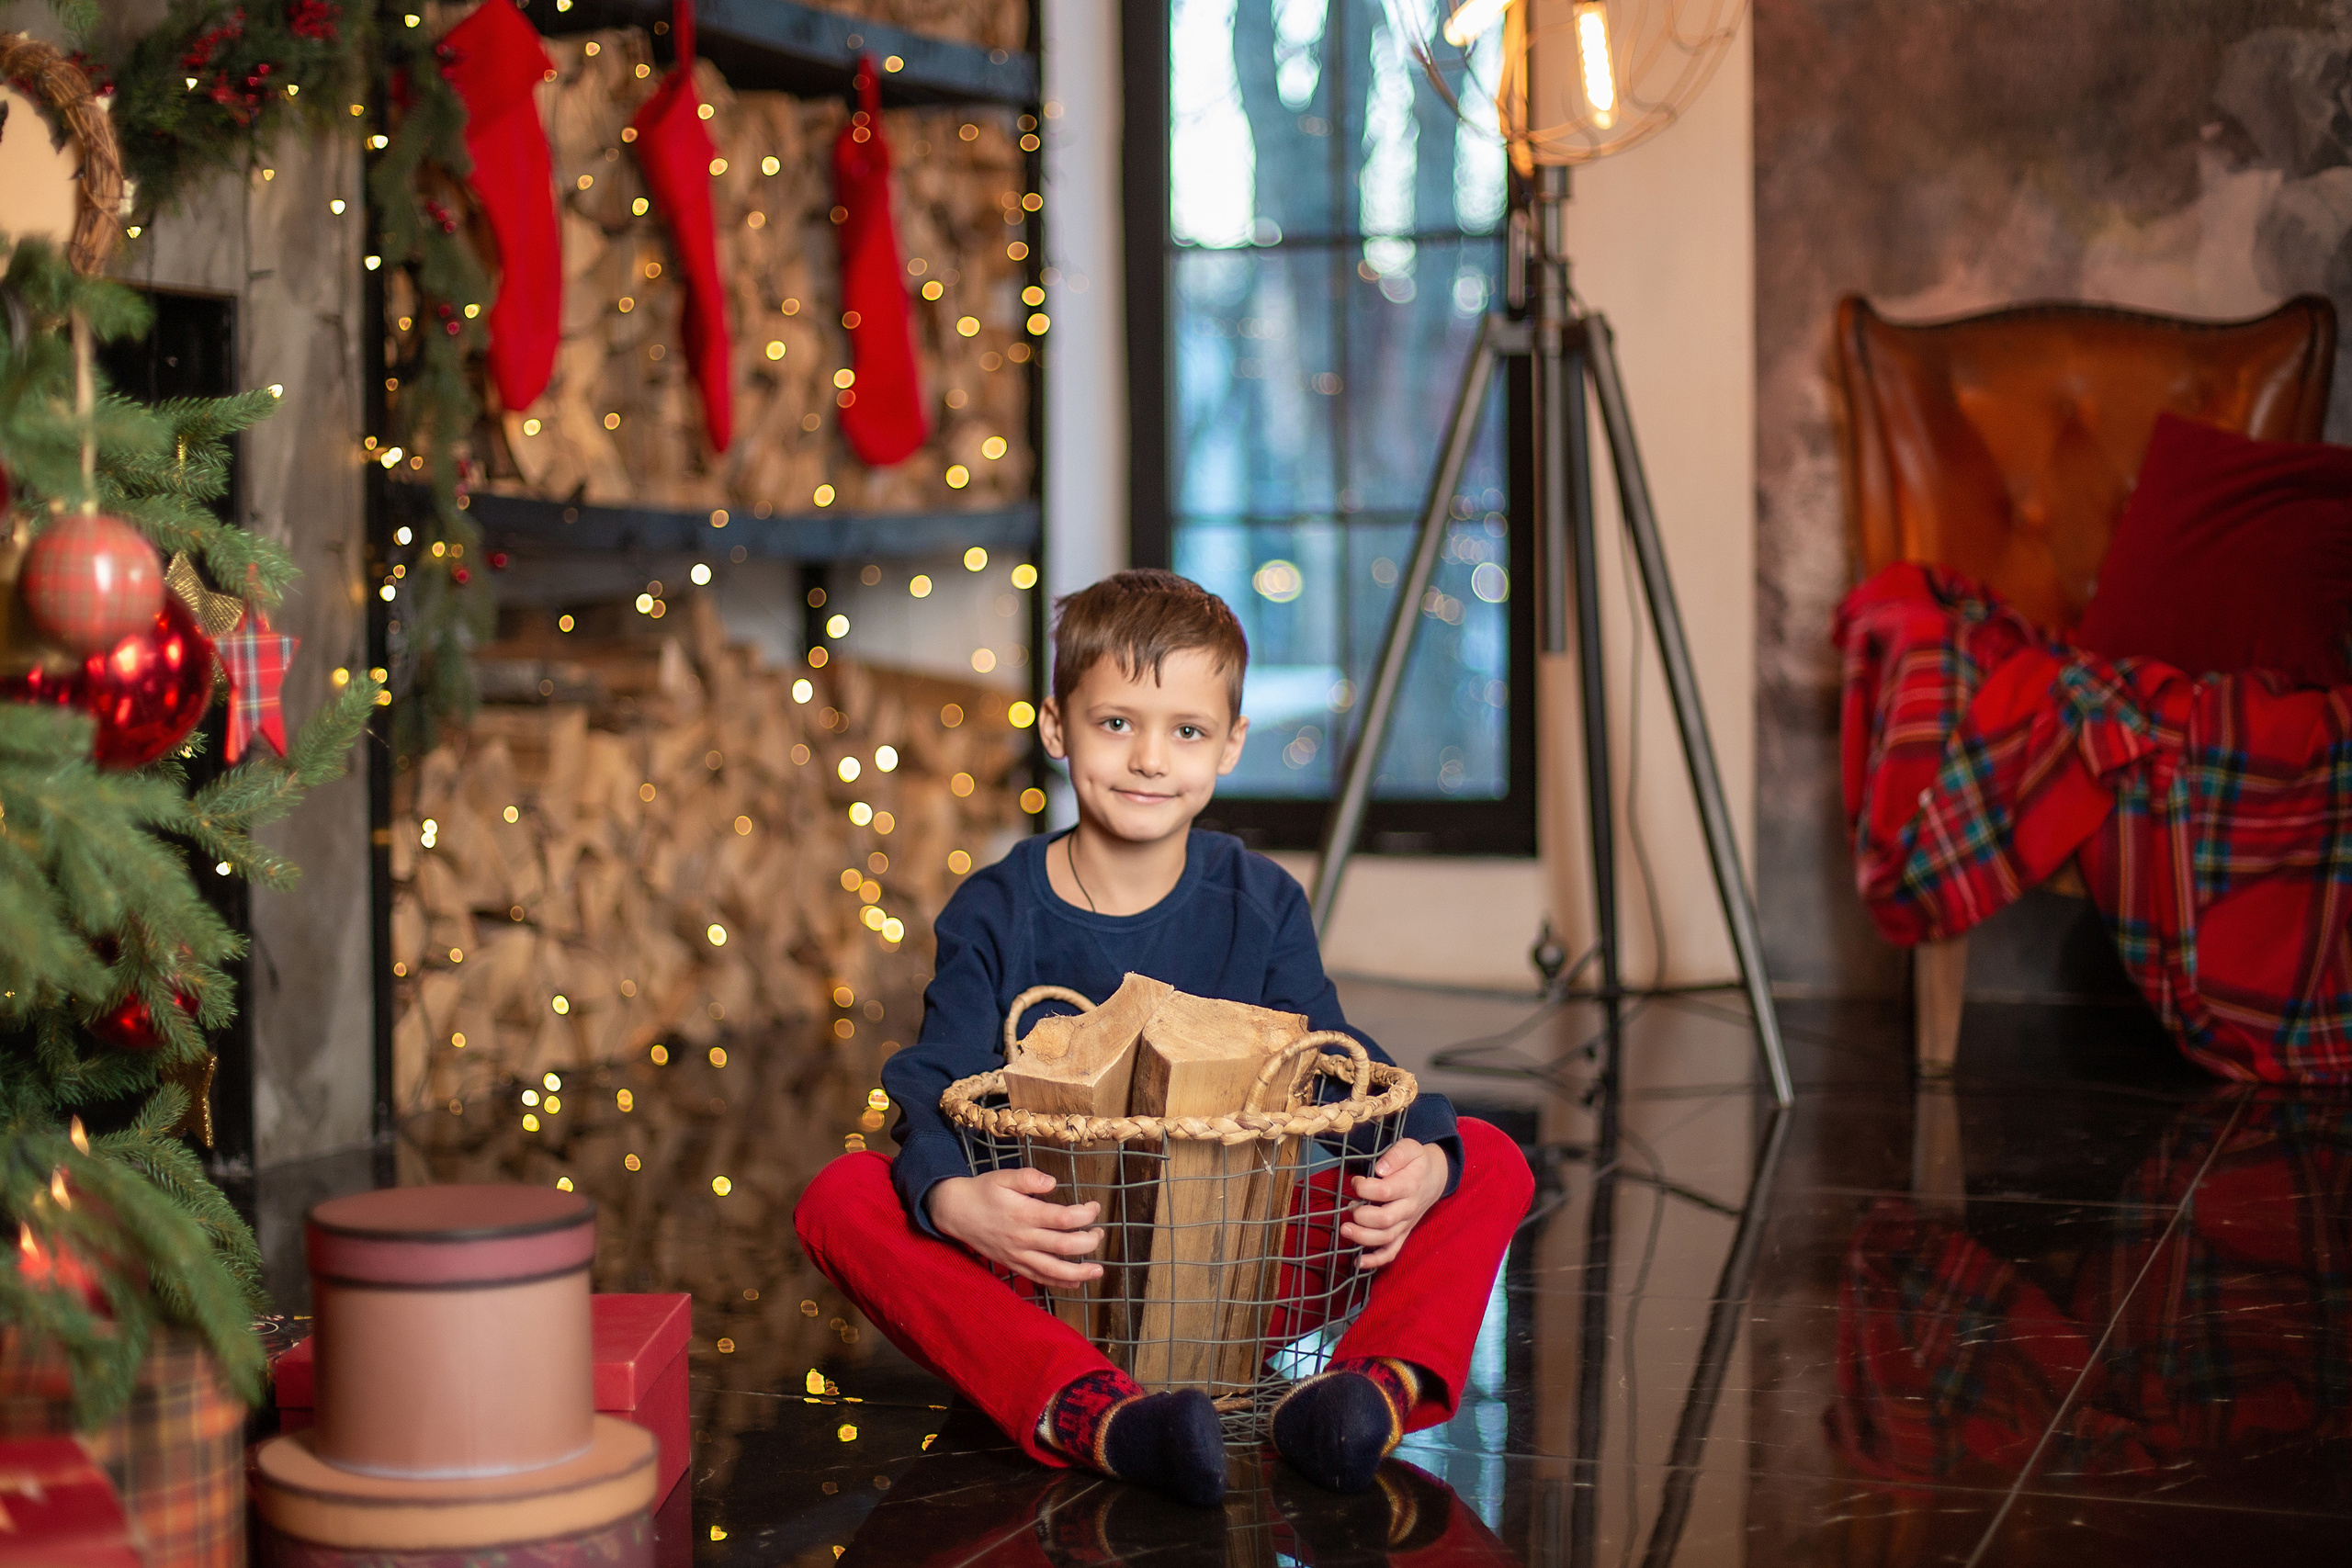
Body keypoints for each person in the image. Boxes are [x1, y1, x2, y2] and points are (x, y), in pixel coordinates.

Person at [794, 569, 1532, 1506]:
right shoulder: (996, 910)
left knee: (1486, 1157)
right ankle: (1090, 1408)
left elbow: (1335, 1065)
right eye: (1116, 724)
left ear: (1228, 745)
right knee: (842, 1194)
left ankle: (1362, 1396)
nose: (1150, 759)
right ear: (1057, 728)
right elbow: (933, 1079)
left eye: (1184, 731)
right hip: (1050, 1269)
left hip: (1235, 1273)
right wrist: (953, 1200)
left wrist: (1416, 1157)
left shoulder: (1259, 903)